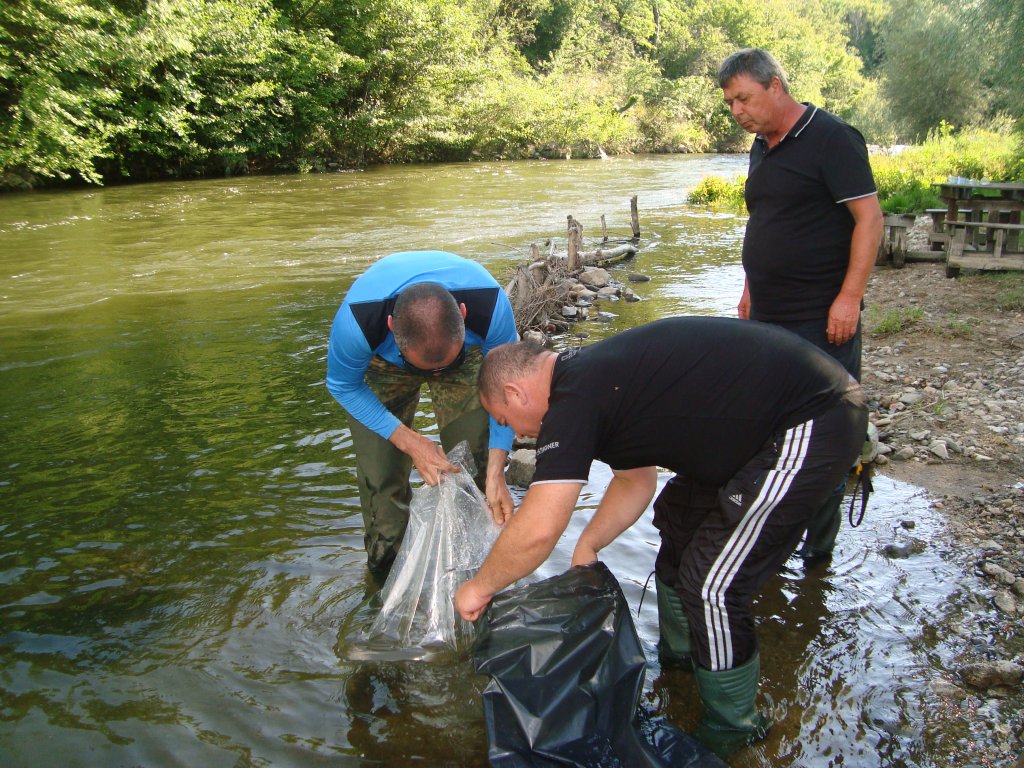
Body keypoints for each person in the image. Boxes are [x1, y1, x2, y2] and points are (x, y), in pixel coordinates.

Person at [455, 317, 867, 756]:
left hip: (813, 417)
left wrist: (479, 588)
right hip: (751, 434)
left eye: (506, 419)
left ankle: (735, 727)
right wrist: (588, 545)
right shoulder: (586, 382)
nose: (517, 433)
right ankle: (683, 663)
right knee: (679, 539)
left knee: (714, 586)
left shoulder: (573, 397)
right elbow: (636, 480)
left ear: (516, 393)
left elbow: (539, 529)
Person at [717, 47, 883, 561]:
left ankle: (819, 554)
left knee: (827, 430)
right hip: (769, 314)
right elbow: (763, 222)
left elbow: (870, 220)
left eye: (744, 98)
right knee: (772, 425)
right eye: (730, 103)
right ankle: (777, 534)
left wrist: (849, 298)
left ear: (776, 86)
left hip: (821, 316)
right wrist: (748, 289)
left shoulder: (833, 138)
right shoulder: (761, 148)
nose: (737, 111)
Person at [326, 250, 517, 579]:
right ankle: (386, 582)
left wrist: (498, 467)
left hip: (468, 361)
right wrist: (411, 443)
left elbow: (505, 388)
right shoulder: (358, 323)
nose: (436, 374)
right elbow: (343, 386)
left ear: (463, 312)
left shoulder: (491, 306)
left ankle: (474, 578)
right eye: (428, 368)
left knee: (475, 466)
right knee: (381, 482)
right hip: (383, 368)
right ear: (390, 326)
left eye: (444, 364)